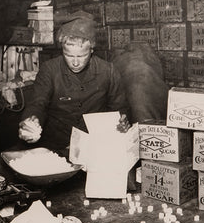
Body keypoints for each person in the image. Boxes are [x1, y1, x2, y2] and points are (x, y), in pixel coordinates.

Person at [18, 10, 130, 153]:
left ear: (91, 50)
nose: (75, 63)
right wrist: (30, 122)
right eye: (69, 55)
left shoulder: (108, 71)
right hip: (54, 144)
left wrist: (123, 121)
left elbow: (120, 108)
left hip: (93, 145)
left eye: (81, 56)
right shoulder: (50, 69)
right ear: (62, 50)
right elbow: (37, 104)